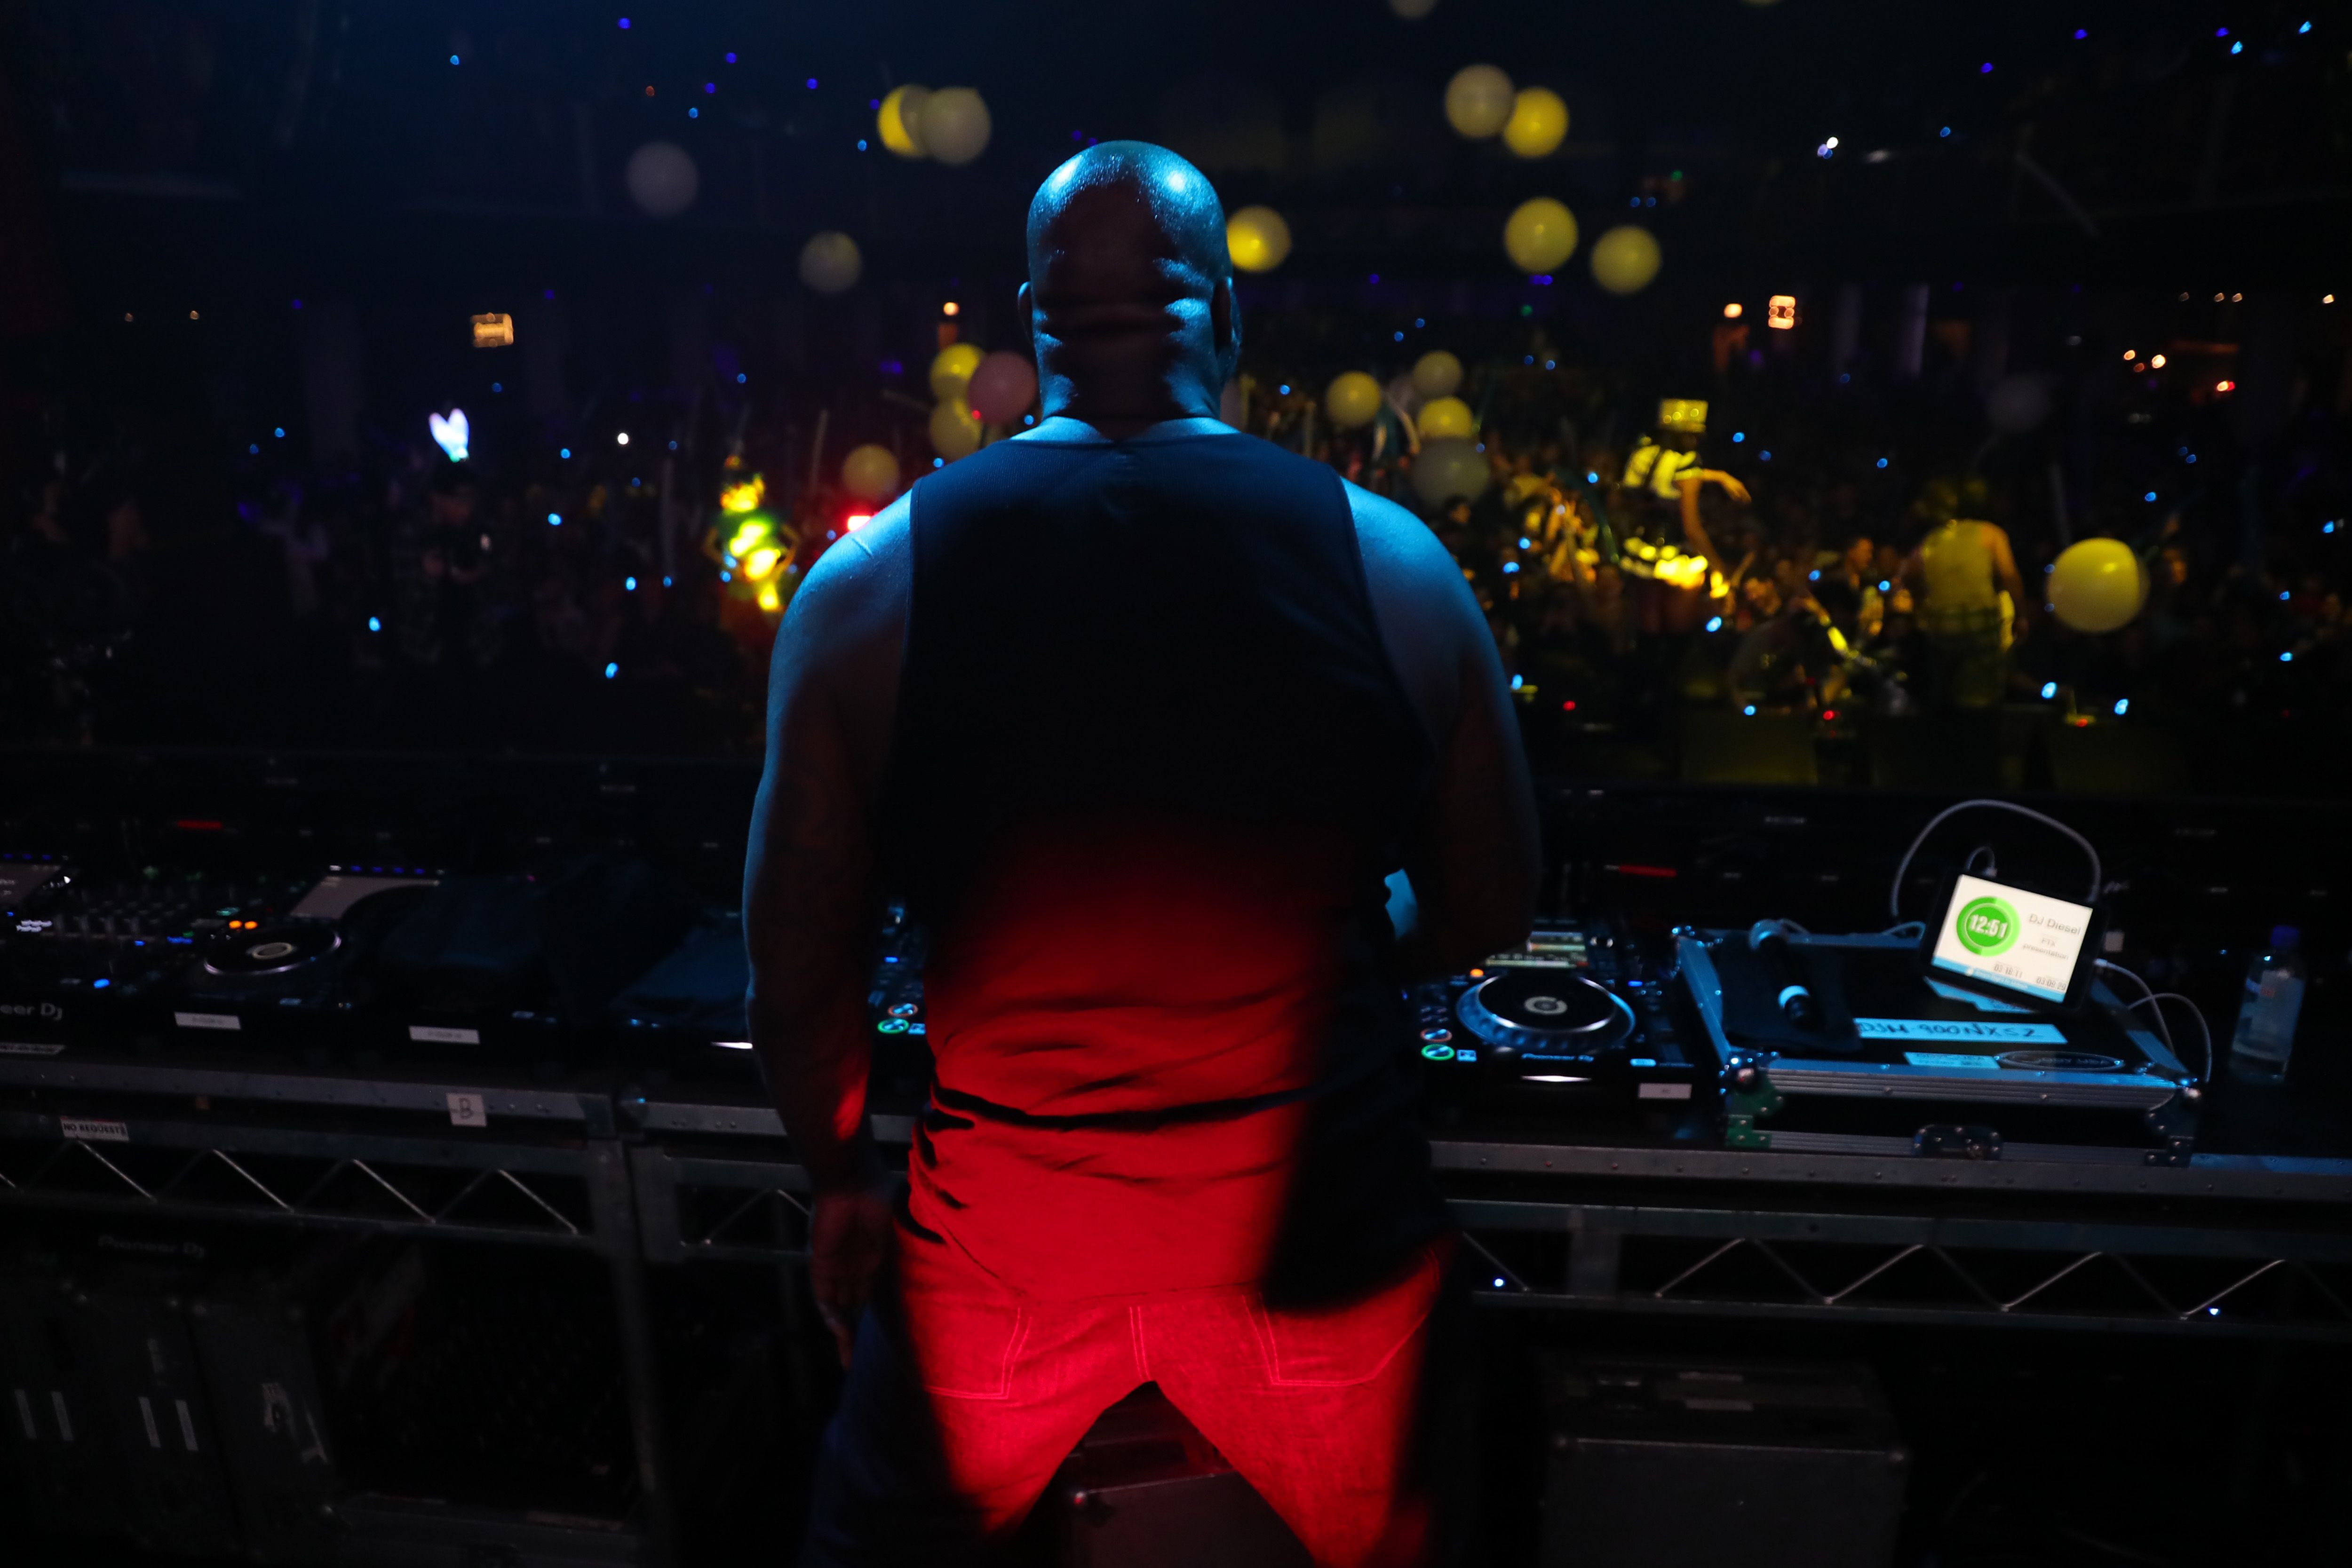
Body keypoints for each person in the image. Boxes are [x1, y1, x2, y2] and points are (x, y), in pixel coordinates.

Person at [743, 141, 1539, 1565]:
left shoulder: (868, 587)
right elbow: (1487, 895)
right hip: (1319, 1251)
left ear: (1029, 323)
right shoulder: (1395, 561)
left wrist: (845, 1179)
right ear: (1224, 318)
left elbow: (798, 967)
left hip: (1005, 1260)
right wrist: (1342, 945)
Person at [1902, 478, 2032, 708]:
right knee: (1983, 694)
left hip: (1940, 624)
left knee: (1946, 693)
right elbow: (2010, 576)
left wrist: (1919, 602)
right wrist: (2021, 616)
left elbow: (1908, 575)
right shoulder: (1990, 533)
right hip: (1979, 622)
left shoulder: (1932, 540)